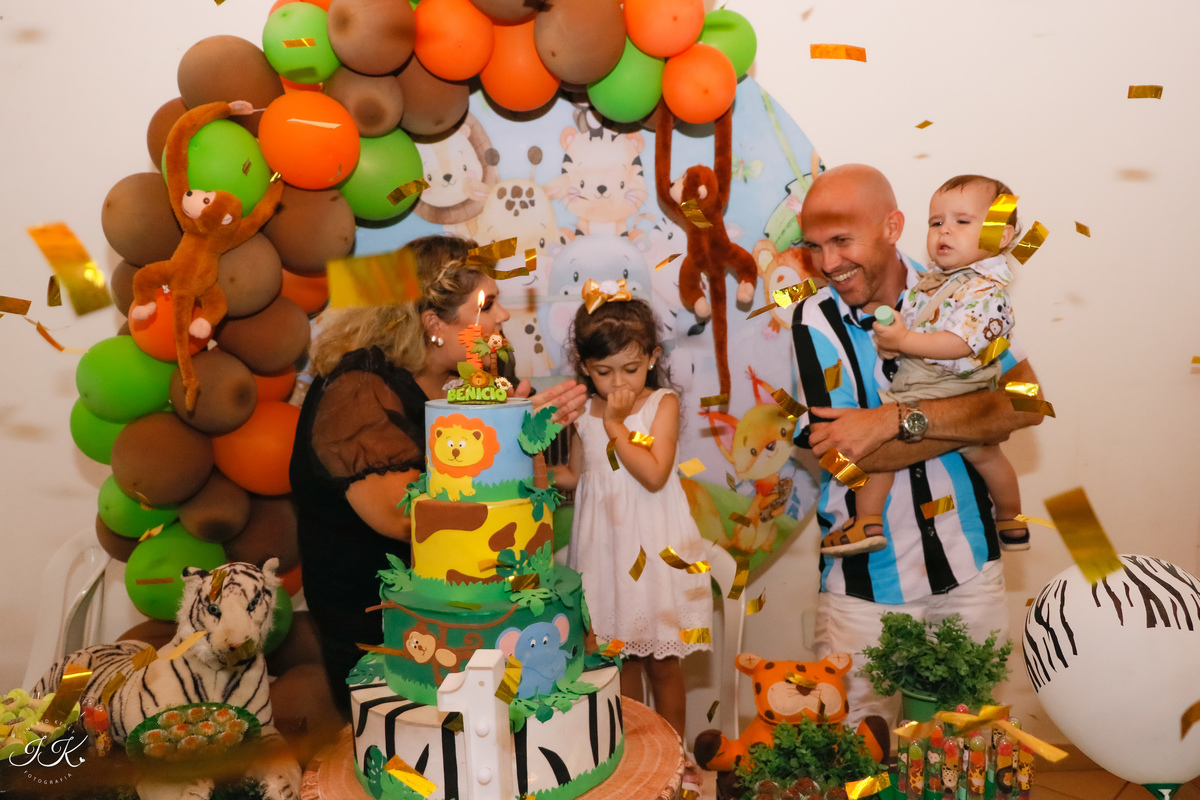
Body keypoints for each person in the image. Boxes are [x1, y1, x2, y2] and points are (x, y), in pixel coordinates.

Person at [789, 164, 1046, 727]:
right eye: (814, 246)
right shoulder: (812, 320)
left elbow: (1026, 403)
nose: (828, 262)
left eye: (842, 241)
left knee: (969, 742)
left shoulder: (964, 290)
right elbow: (842, 454)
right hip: (867, 582)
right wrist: (973, 419)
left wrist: (890, 420)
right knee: (858, 745)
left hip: (969, 564)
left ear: (891, 227)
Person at [290, 235, 587, 717]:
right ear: (433, 324)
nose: (503, 316)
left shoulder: (483, 377)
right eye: (487, 305)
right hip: (383, 627)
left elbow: (518, 500)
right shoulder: (358, 390)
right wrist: (504, 438)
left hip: (483, 612)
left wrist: (524, 437)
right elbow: (405, 517)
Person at [820, 174, 1028, 559]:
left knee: (882, 444)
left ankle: (867, 520)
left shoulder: (986, 289)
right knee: (986, 455)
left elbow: (958, 343)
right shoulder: (934, 281)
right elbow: (919, 326)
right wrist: (892, 345)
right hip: (931, 378)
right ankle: (1010, 521)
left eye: (962, 221)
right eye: (936, 222)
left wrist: (903, 342)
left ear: (1001, 236)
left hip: (944, 383)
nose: (945, 230)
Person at [552, 285, 713, 743]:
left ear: (652, 357)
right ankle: (634, 754)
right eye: (604, 372)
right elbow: (579, 475)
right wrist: (529, 469)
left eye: (631, 369)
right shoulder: (585, 410)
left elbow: (655, 473)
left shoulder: (662, 404)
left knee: (662, 664)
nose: (619, 384)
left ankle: (675, 754)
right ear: (585, 366)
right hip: (604, 554)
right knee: (617, 662)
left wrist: (615, 424)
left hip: (652, 551)